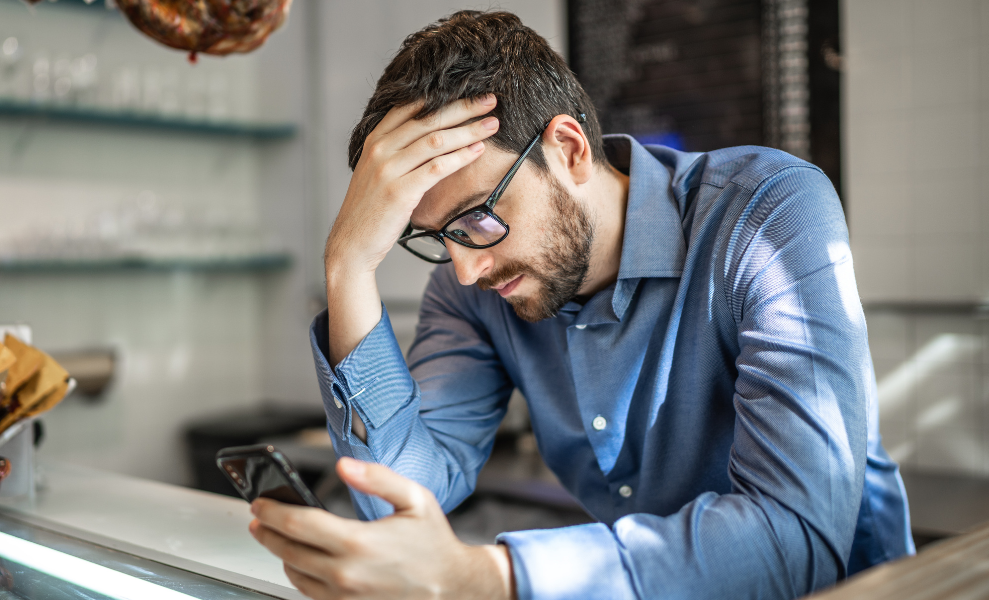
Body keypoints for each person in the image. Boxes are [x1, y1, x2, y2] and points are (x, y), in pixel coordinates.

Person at [248, 9, 913, 600]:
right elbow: (394, 495)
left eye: (478, 219)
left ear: (566, 150)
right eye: (437, 237)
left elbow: (795, 539)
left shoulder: (767, 214)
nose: (466, 268)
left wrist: (487, 578)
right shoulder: (471, 283)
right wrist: (349, 265)